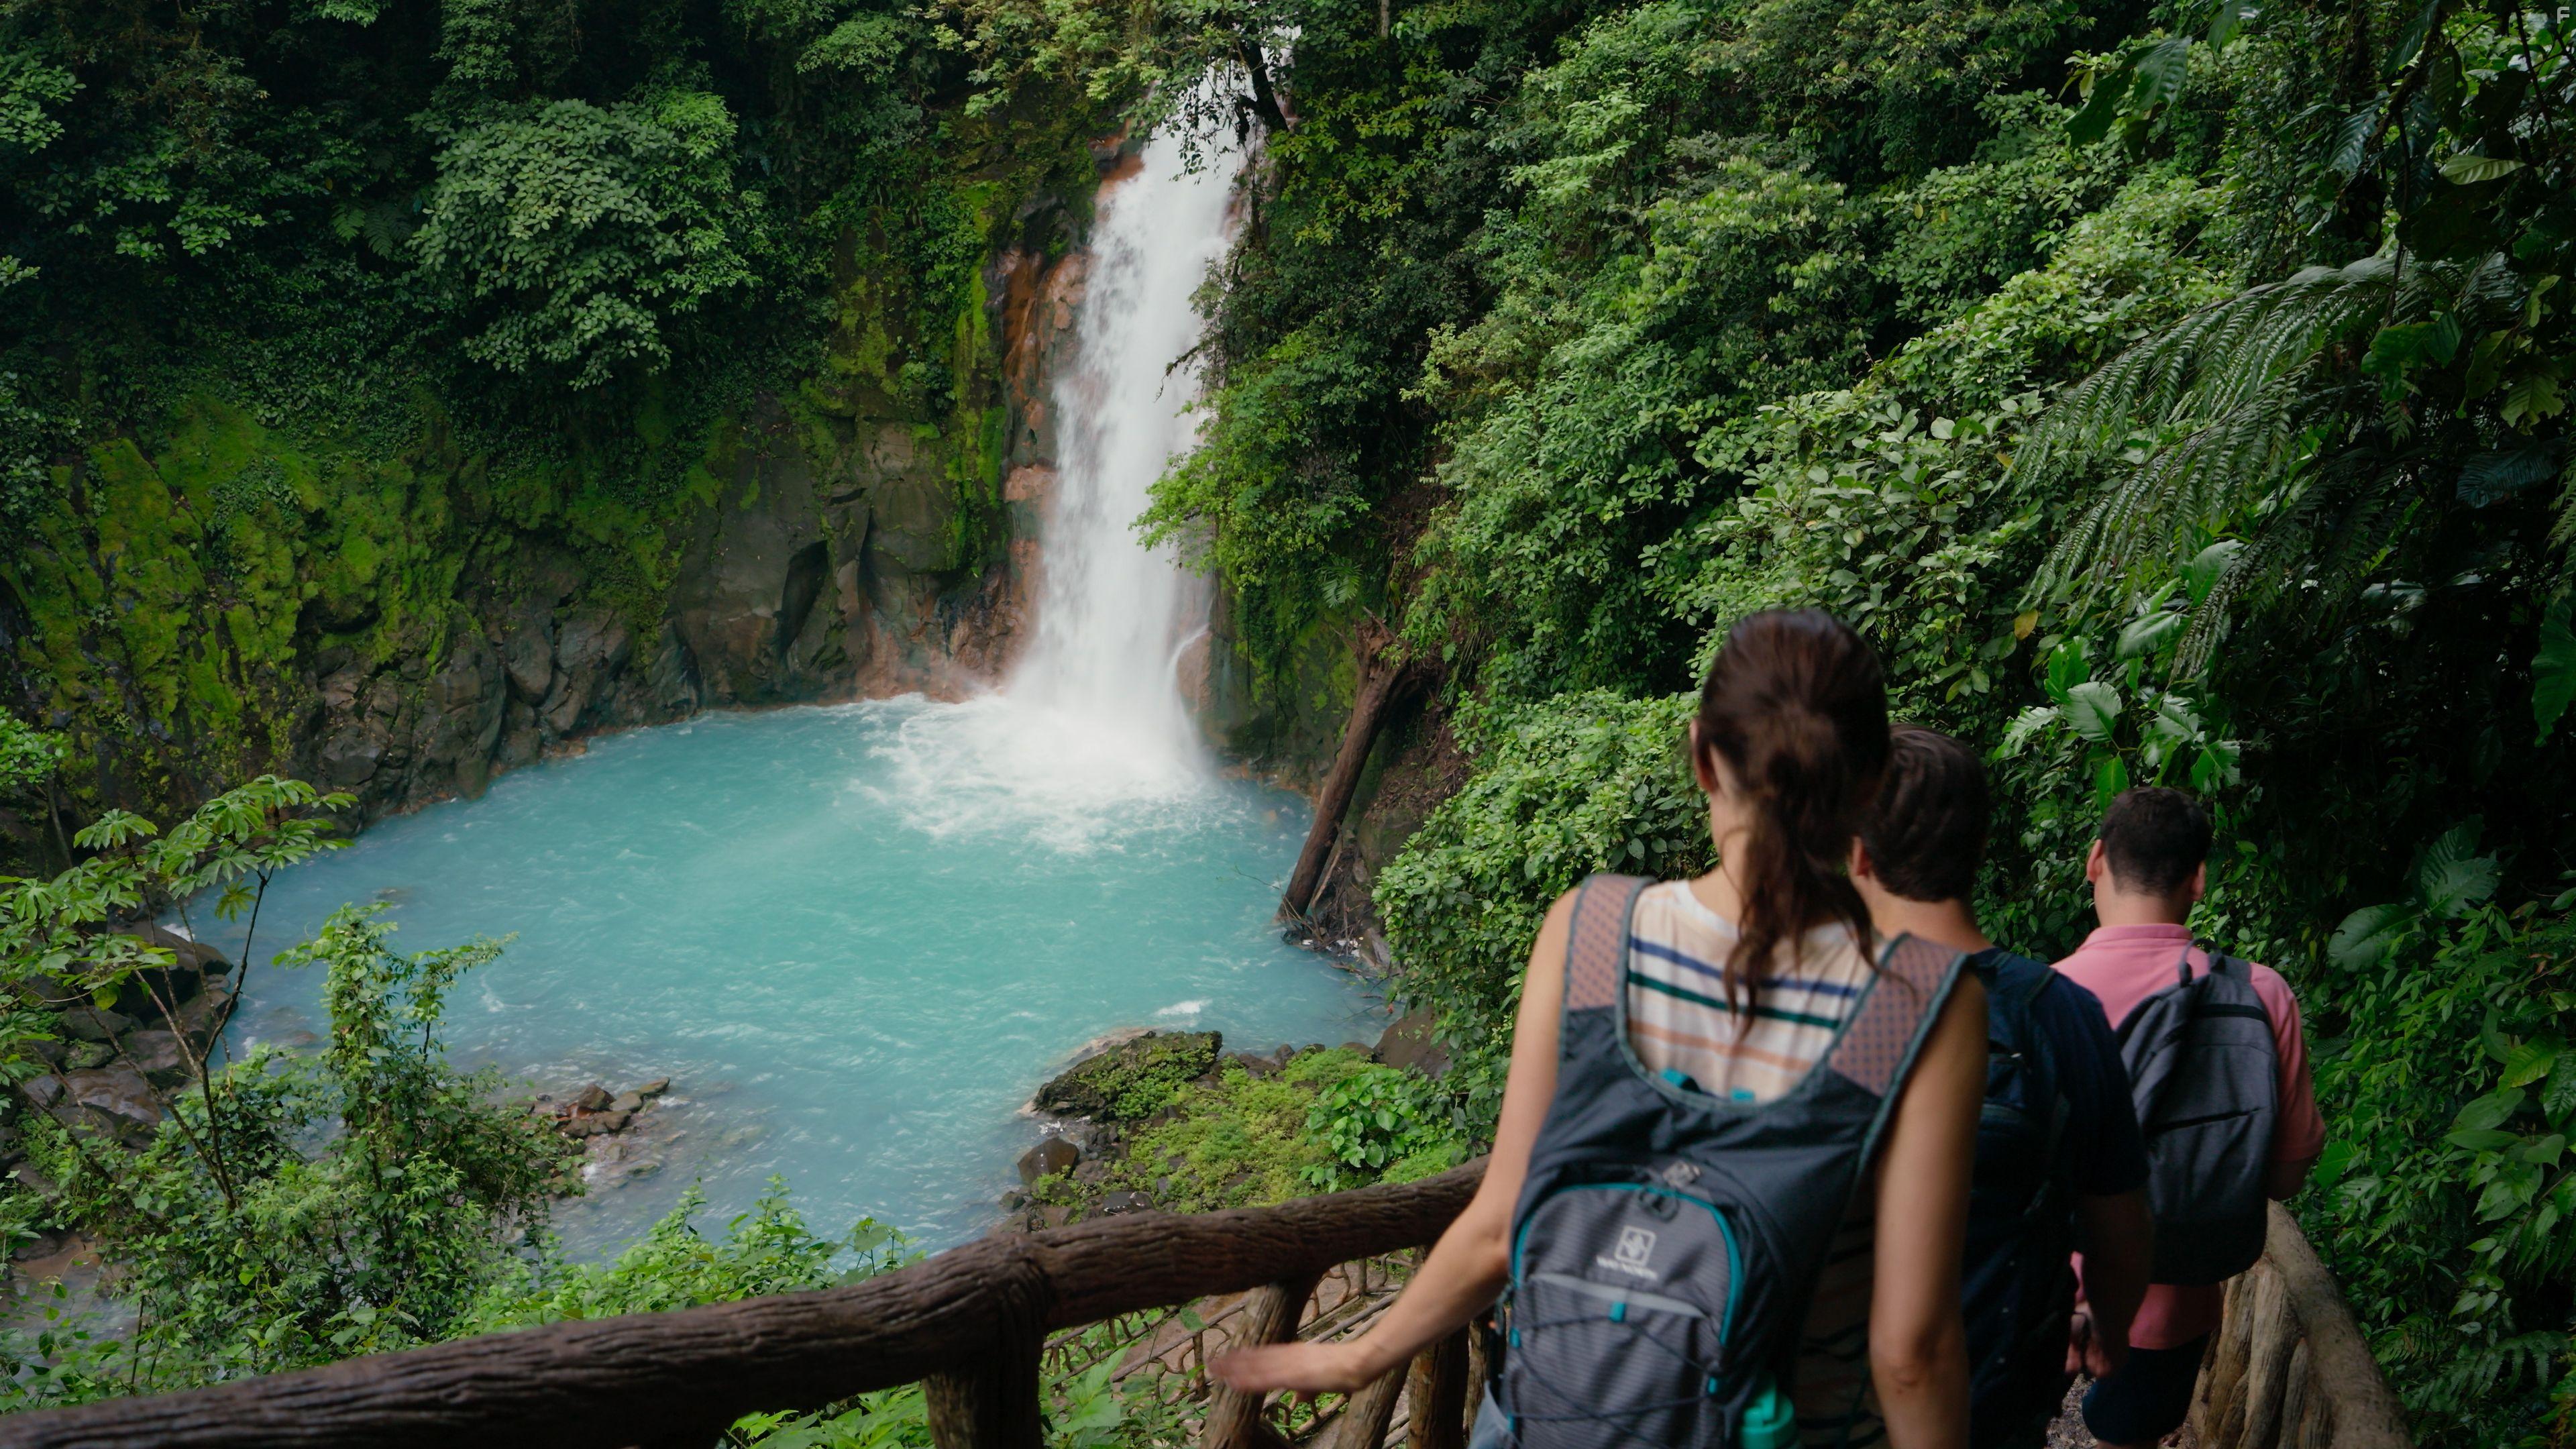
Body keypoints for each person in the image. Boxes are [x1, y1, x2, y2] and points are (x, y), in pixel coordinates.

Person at [1212, 609, 1990, 1449]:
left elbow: (1503, 1218)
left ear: (1701, 757)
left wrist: (1363, 1354)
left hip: (1552, 1419)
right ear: (1873, 788)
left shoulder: (1592, 933)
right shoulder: (1918, 1004)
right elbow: (1913, 1351)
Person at [1849, 727, 2157, 1448]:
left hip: (1824, 1402)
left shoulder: (1797, 1004)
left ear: (1857, 852)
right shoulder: (2059, 1012)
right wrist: (2105, 1329)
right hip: (1993, 1400)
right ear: (1980, 850)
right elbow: (2122, 1229)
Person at [2050, 788, 2324, 1449]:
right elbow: (2286, 1176)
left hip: (2050, 1291)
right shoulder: (2259, 994)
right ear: (2199, 880)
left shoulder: (2044, 997)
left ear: (2094, 861)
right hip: (2176, 1300)